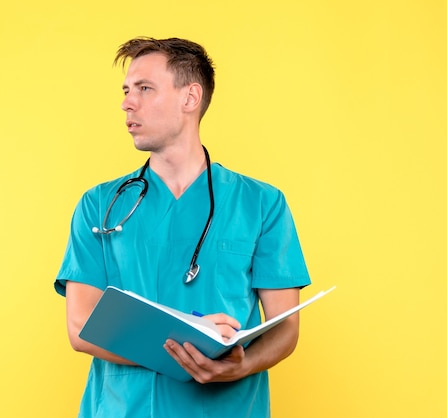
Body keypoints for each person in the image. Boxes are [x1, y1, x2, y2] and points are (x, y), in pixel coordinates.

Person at [54, 37, 311, 418]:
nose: (127, 103)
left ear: (190, 98)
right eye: (126, 91)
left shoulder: (262, 204)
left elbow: (284, 329)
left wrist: (238, 366)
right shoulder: (99, 205)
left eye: (144, 89)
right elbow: (81, 326)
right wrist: (191, 339)